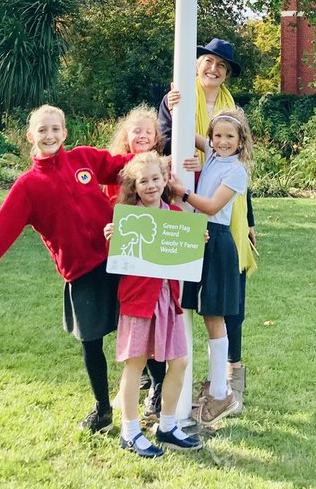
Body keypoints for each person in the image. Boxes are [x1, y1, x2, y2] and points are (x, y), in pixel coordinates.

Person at [0, 104, 132, 433]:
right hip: (81, 273)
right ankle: (103, 409)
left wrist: (167, 160)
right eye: (42, 130)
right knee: (91, 343)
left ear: (65, 132)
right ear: (31, 136)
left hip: (119, 258)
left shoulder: (84, 159)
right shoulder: (28, 187)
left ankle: (156, 398)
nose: (49, 135)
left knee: (142, 330)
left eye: (55, 129)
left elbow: (127, 166)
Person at [159, 38, 256, 411]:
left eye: (221, 65)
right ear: (197, 64)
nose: (213, 69)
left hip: (217, 222)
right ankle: (173, 386)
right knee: (188, 301)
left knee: (223, 305)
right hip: (187, 213)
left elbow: (229, 170)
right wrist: (178, 111)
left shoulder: (232, 127)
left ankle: (227, 384)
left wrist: (247, 220)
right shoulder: (179, 100)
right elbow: (175, 138)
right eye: (207, 61)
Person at [104, 152, 201, 457]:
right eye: (143, 181)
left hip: (167, 298)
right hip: (137, 299)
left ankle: (168, 426)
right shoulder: (126, 216)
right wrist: (111, 237)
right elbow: (120, 259)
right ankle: (130, 432)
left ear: (164, 180)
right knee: (135, 363)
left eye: (155, 179)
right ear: (134, 184)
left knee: (180, 361)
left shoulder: (174, 215)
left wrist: (198, 240)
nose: (150, 185)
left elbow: (182, 253)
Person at [170, 107, 253, 425]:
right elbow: (187, 132)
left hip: (216, 242)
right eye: (217, 136)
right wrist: (175, 102)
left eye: (229, 137)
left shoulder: (235, 171)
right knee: (203, 314)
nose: (222, 141)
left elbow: (213, 205)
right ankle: (214, 387)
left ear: (240, 140)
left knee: (214, 316)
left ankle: (222, 393)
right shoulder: (213, 154)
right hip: (198, 239)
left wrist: (184, 193)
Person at [103, 104, 166, 417]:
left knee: (153, 324)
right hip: (122, 258)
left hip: (153, 264)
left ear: (156, 137)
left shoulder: (159, 169)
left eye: (147, 131)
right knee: (128, 324)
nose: (141, 135)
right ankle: (135, 379)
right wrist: (110, 228)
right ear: (125, 136)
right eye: (135, 130)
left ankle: (157, 387)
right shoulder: (114, 171)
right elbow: (104, 205)